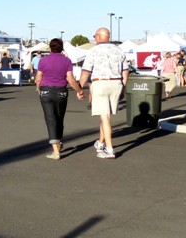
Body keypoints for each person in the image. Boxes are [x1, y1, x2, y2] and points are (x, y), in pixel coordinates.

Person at [79, 27, 129, 159]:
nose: (94, 39)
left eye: (95, 36)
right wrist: (123, 87)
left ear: (99, 37)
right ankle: (100, 143)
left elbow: (86, 71)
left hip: (100, 83)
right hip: (116, 83)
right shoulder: (119, 50)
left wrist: (79, 88)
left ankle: (110, 149)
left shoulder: (93, 51)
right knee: (105, 116)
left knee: (105, 117)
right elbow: (125, 71)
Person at [35, 38, 85, 160]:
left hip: (46, 90)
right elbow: (71, 79)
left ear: (50, 48)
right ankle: (59, 141)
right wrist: (79, 91)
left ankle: (56, 151)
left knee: (50, 119)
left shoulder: (43, 61)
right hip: (61, 92)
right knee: (59, 117)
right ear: (61, 48)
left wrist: (38, 88)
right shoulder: (67, 61)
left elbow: (38, 77)